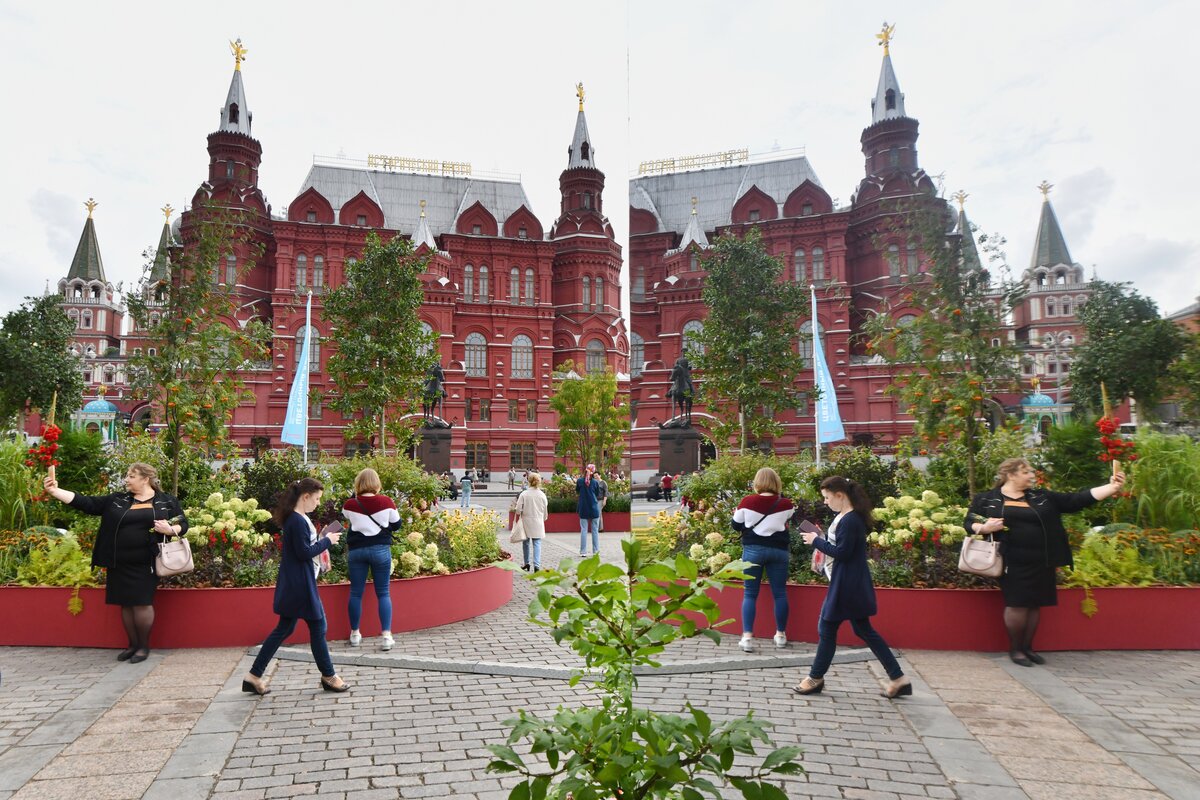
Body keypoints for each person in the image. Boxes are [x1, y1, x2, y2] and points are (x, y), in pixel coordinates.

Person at [967, 458, 1126, 667]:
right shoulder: (987, 499)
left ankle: (1027, 647)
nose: (1031, 475)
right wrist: (984, 528)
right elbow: (968, 522)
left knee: (1035, 603)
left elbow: (1077, 500)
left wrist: (1112, 487)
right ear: (1011, 474)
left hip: (1043, 559)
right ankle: (1016, 649)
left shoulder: (1042, 497)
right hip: (1010, 559)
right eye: (1026, 472)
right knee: (1017, 603)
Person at [42, 463, 187, 663]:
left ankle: (143, 647)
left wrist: (170, 530)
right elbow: (86, 503)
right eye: (127, 476)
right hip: (118, 561)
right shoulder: (117, 499)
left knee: (142, 603)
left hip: (147, 561)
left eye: (131, 476)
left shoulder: (166, 501)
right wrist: (54, 490)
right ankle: (132, 645)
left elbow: (183, 523)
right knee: (125, 603)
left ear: (145, 479)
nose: (126, 479)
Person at [795, 475, 911, 699]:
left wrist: (816, 541)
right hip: (849, 582)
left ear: (840, 495)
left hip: (846, 585)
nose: (826, 502)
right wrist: (820, 538)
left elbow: (843, 553)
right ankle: (898, 678)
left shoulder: (849, 520)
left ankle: (815, 678)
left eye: (828, 497)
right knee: (862, 630)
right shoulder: (847, 517)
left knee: (828, 628)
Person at [243, 477, 349, 695]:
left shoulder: (296, 518)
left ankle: (253, 676)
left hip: (296, 581)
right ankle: (329, 676)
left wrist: (322, 539)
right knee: (317, 627)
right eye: (317, 498)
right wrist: (328, 540)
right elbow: (304, 552)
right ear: (306, 496)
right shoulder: (298, 520)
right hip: (301, 584)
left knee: (286, 628)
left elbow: (302, 549)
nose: (318, 503)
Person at [731, 467, 796, 654]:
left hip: (753, 551)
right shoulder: (785, 503)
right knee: (780, 594)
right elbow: (788, 520)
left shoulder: (747, 501)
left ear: (757, 482)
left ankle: (747, 638)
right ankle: (781, 635)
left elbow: (735, 525)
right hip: (779, 551)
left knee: (750, 594)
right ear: (776, 482)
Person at [341, 468, 401, 651]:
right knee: (383, 593)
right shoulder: (386, 502)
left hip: (357, 551)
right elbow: (397, 524)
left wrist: (356, 494)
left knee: (356, 593)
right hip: (380, 550)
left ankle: (355, 634)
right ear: (377, 483)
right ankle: (386, 636)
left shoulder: (350, 504)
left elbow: (346, 516)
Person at [514, 472, 549, 571]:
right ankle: (537, 565)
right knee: (537, 542)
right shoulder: (542, 495)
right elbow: (545, 512)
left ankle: (526, 563)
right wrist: (542, 519)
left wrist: (521, 513)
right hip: (538, 521)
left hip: (526, 521)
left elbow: (517, 510)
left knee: (526, 543)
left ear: (528, 481)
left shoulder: (524, 494)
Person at [576, 464, 602, 556]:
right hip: (594, 508)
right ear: (593, 472)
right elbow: (597, 494)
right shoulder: (595, 482)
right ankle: (595, 551)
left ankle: (583, 552)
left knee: (583, 530)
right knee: (595, 531)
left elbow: (577, 491)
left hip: (583, 508)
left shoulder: (579, 481)